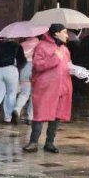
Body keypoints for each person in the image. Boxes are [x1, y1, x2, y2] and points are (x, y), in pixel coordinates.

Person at [24, 24, 73, 153]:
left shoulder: (65, 49)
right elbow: (38, 65)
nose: (67, 35)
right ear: (56, 33)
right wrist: (55, 58)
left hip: (62, 86)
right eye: (64, 32)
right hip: (46, 87)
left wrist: (75, 70)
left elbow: (68, 64)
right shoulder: (41, 46)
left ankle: (50, 142)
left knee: (57, 115)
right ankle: (33, 142)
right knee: (40, 114)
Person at [0, 37, 27, 124]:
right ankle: (8, 118)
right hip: (11, 70)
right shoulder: (17, 46)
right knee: (11, 94)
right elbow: (22, 61)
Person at [13, 36, 39, 123]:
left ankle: (17, 110)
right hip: (36, 68)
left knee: (24, 94)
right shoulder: (40, 45)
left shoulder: (21, 45)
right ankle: (30, 117)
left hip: (24, 68)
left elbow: (17, 60)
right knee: (34, 95)